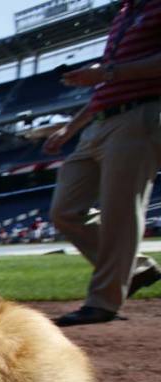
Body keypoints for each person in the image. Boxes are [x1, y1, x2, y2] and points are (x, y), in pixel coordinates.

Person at [44, 0, 161, 327]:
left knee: (119, 214)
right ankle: (137, 268)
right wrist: (70, 128)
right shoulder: (124, 13)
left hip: (140, 115)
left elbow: (116, 74)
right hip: (99, 122)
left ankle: (103, 302)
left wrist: (109, 72)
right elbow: (107, 85)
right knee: (65, 210)